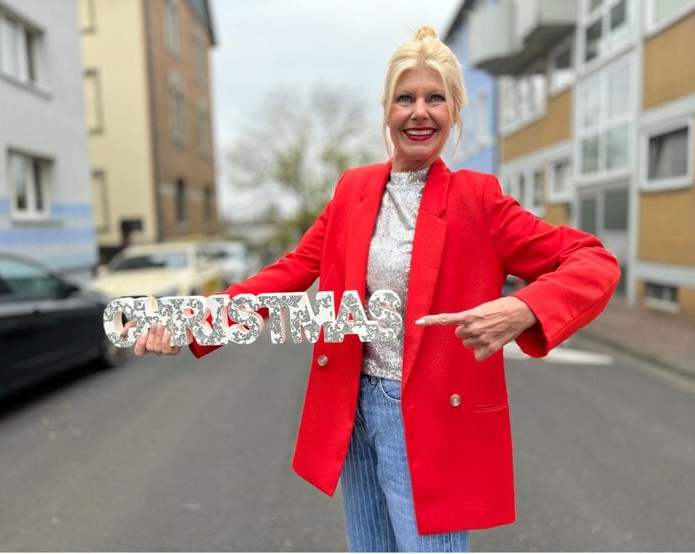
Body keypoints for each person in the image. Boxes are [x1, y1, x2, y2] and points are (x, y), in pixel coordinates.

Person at [128, 26, 620, 552]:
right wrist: (185, 324)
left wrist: (524, 307)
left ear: (455, 111)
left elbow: (593, 261)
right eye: (405, 98)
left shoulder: (479, 199)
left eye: (436, 98)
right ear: (386, 110)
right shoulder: (353, 191)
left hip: (431, 419)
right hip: (353, 407)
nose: (419, 112)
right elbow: (289, 271)